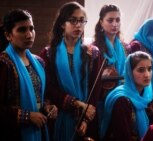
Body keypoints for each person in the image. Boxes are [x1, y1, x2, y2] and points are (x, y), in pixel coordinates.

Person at [39, 2, 98, 141]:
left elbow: (95, 89)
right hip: (58, 115)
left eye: (82, 20)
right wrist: (75, 103)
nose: (78, 25)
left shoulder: (93, 53)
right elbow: (48, 88)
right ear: (62, 24)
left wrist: (85, 120)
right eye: (72, 20)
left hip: (86, 118)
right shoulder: (48, 54)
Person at [0, 9, 58, 141]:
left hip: (38, 130)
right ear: (8, 35)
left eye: (31, 28)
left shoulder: (39, 62)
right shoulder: (4, 64)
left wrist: (47, 107)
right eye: (22, 30)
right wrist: (27, 116)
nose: (29, 34)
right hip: (13, 133)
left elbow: (41, 96)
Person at [89, 4, 128, 138]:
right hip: (100, 100)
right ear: (101, 22)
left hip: (120, 97)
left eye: (118, 20)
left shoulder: (123, 46)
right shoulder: (94, 48)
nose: (115, 24)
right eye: (110, 20)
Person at [99, 51, 153, 141]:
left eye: (149, 69)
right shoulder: (122, 101)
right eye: (141, 70)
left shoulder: (145, 96)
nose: (147, 74)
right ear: (130, 73)